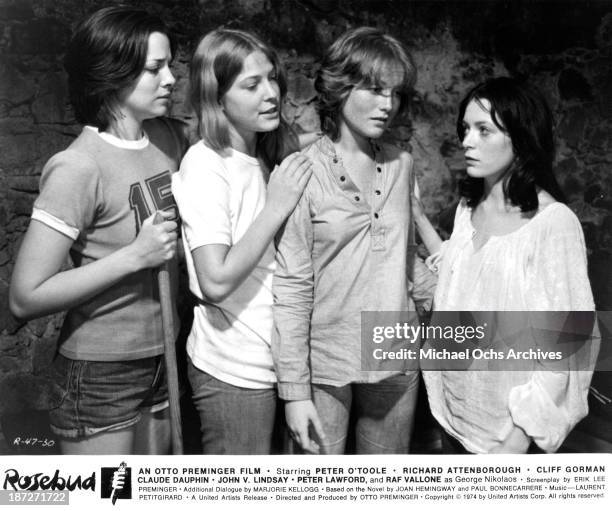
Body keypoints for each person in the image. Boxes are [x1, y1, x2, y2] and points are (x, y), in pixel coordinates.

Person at [9, 6, 188, 454]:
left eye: (170, 65)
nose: (170, 79)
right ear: (112, 74)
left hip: (163, 353)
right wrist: (134, 255)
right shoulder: (78, 165)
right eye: (155, 68)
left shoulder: (167, 139)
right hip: (98, 371)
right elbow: (25, 296)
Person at [272, 27, 437, 454]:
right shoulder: (301, 171)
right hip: (326, 360)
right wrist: (294, 391)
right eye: (375, 90)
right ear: (341, 87)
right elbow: (292, 286)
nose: (388, 104)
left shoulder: (402, 165)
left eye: (395, 93)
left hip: (397, 353)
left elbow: (404, 260)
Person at [414, 76, 598, 453]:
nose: (467, 141)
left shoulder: (552, 224)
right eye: (466, 128)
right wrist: (415, 213)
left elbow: (567, 344)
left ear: (521, 136)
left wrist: (516, 443)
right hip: (452, 417)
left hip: (507, 437)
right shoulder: (468, 208)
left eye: (484, 130)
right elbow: (458, 270)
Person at [171, 29, 312, 454]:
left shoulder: (261, 154)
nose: (271, 93)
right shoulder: (206, 164)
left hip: (280, 361)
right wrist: (277, 205)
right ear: (217, 98)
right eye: (252, 85)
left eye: (272, 78)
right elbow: (214, 281)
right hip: (235, 368)